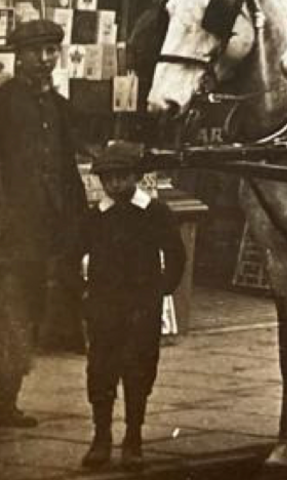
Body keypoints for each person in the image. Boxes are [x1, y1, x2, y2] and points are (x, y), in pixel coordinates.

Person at [0, 19, 90, 428]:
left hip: (46, 232)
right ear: (18, 56)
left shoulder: (58, 107)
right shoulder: (3, 103)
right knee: (10, 313)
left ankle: (6, 401)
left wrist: (76, 221)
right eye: (36, 51)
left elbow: (67, 168)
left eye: (51, 51)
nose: (44, 59)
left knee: (29, 313)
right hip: (9, 231)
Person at [79, 141, 185, 471]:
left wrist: (161, 290)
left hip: (142, 305)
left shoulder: (155, 213)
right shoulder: (95, 217)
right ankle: (101, 437)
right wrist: (82, 293)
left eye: (122, 177)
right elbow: (72, 257)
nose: (115, 185)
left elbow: (177, 255)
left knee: (139, 370)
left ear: (135, 177)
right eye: (108, 179)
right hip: (104, 305)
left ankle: (133, 437)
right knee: (101, 369)